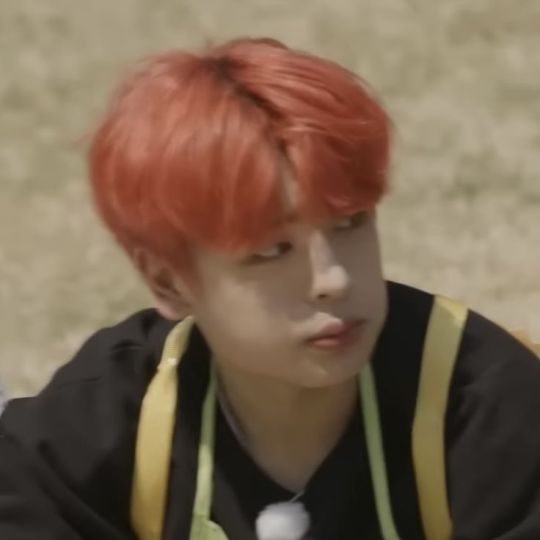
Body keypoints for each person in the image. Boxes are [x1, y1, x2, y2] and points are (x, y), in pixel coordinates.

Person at [0, 36, 539, 540]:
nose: (333, 279)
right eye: (272, 250)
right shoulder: (109, 418)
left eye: (350, 223)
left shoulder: (487, 404)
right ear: (168, 280)